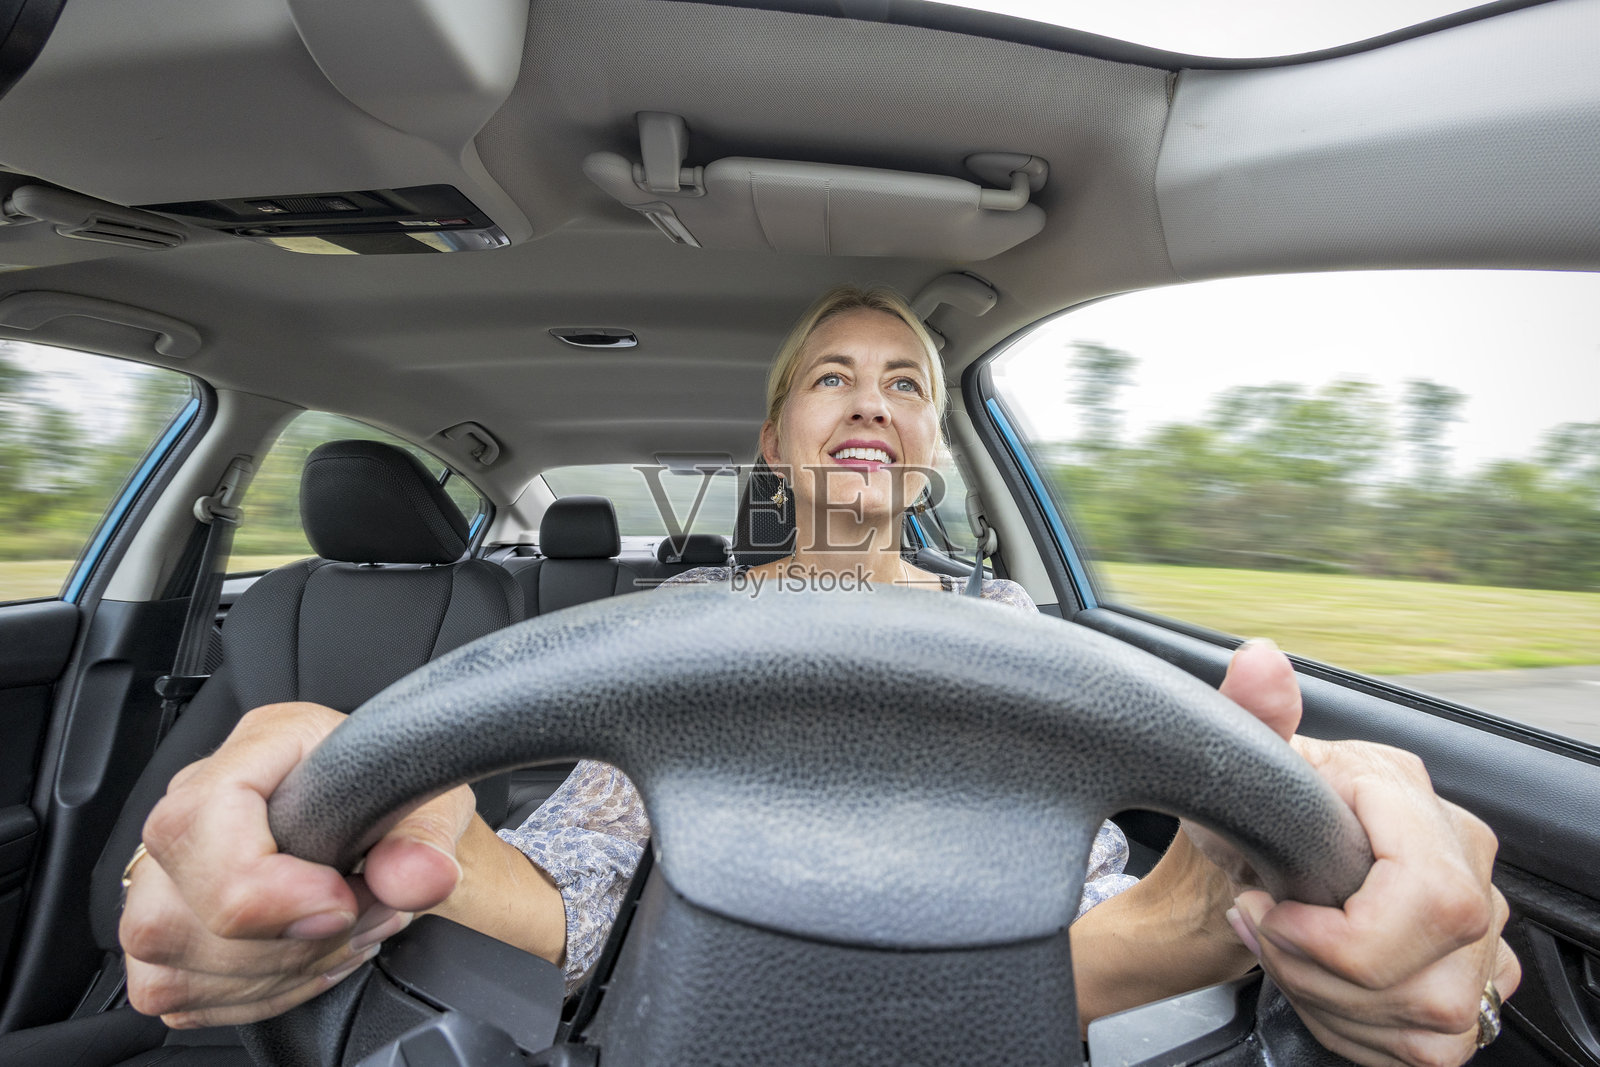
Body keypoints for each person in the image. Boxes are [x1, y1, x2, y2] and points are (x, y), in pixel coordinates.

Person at [121, 286, 1519, 1067]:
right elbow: (576, 891)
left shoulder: (1024, 637)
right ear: (783, 443)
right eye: (833, 378)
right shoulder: (673, 629)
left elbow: (1117, 911)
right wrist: (354, 807)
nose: (870, 399)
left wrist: (1278, 909)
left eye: (905, 383)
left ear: (928, 455)